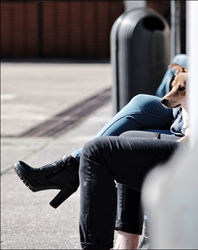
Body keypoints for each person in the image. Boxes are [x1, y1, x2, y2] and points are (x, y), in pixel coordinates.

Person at [14, 54, 187, 249]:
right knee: (132, 123)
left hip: (195, 138)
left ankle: (68, 169)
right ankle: (126, 240)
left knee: (100, 151)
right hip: (182, 117)